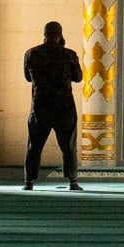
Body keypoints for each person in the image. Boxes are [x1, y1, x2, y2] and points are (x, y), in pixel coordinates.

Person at [23, 21, 83, 191]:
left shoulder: (31, 54)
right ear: (60, 34)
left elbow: (28, 78)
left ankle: (29, 181)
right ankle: (72, 181)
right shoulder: (69, 54)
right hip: (64, 107)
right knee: (68, 146)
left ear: (44, 34)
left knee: (34, 146)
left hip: (40, 106)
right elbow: (78, 77)